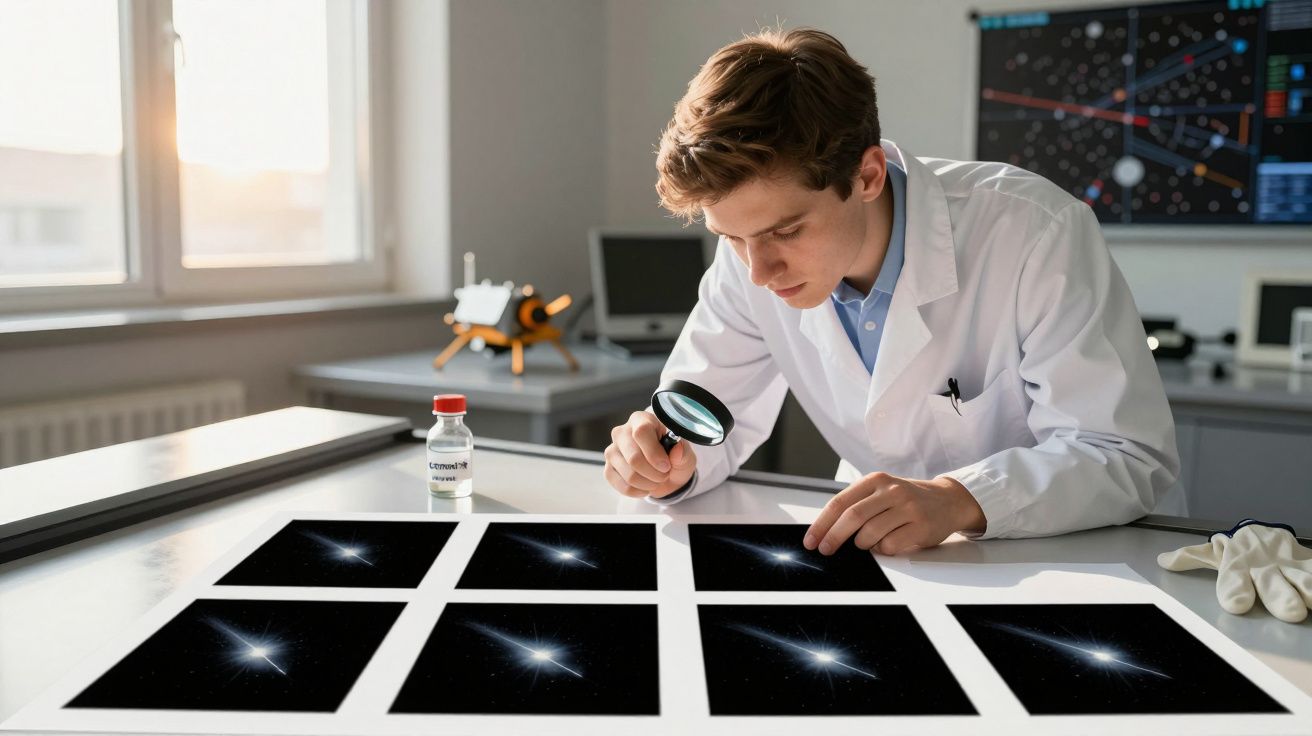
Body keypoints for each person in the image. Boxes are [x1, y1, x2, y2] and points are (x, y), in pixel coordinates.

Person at [602, 27, 1179, 555]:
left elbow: (1123, 455)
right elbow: (705, 417)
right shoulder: (749, 260)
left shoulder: (1032, 231)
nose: (759, 271)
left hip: (1072, 558)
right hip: (886, 555)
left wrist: (960, 499)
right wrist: (666, 462)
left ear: (867, 175)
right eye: (730, 236)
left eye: (786, 231)